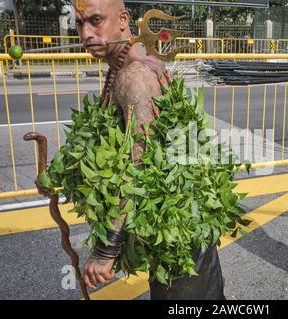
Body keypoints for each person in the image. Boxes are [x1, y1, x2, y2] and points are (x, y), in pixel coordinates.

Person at [65, 0, 226, 300]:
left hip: (180, 236)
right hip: (171, 225)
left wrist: (105, 250)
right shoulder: (123, 65)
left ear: (123, 19)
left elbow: (137, 168)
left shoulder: (133, 77)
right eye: (79, 23)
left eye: (95, 21)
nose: (85, 33)